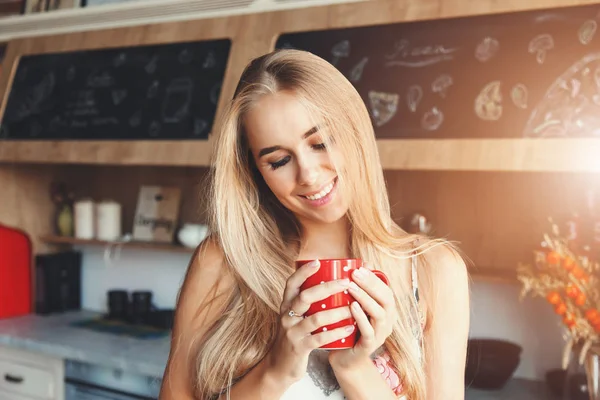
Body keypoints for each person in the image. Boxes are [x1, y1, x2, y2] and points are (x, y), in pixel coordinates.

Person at [160, 49, 470, 400]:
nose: (308, 174)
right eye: (278, 161)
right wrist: (276, 371)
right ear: (256, 173)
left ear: (355, 131)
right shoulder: (222, 263)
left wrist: (353, 366)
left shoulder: (433, 271)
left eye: (320, 143)